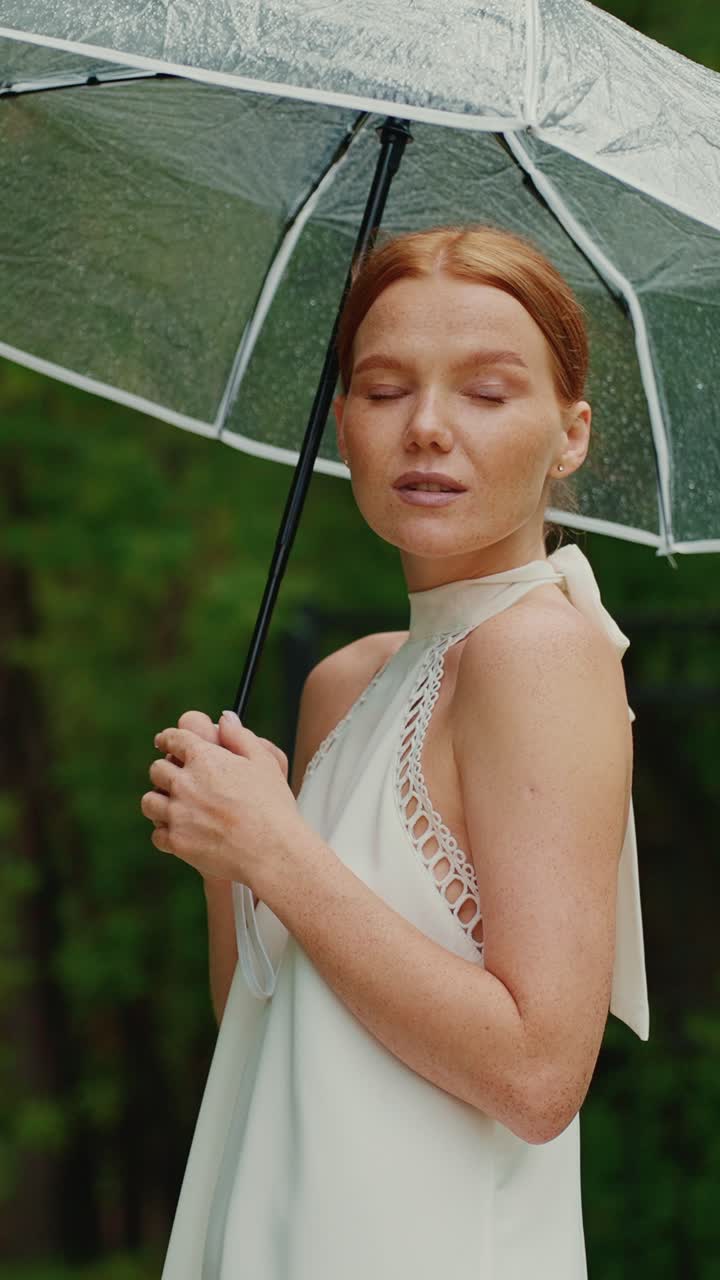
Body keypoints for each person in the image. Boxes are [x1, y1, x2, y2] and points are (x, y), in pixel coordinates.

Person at [142, 224, 650, 1279]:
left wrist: (281, 853)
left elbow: (539, 1073)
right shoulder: (348, 681)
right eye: (382, 390)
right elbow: (272, 1027)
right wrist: (229, 858)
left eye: (487, 391)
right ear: (342, 425)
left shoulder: (541, 650)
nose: (426, 427)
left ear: (571, 433)